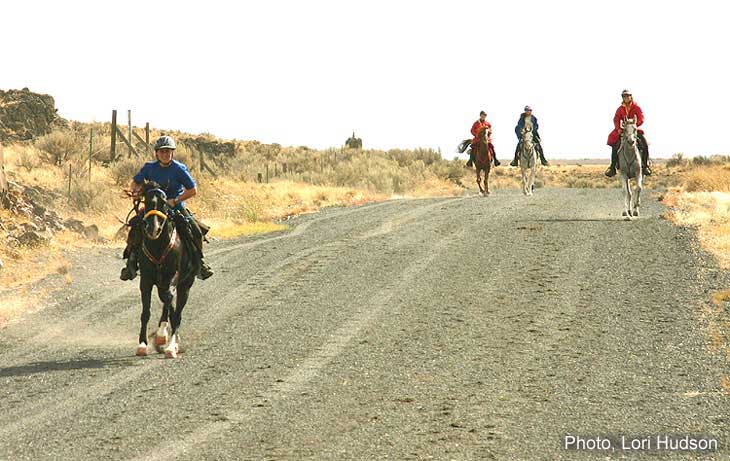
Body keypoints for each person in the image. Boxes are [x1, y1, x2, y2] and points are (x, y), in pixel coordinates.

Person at [120, 135, 214, 281]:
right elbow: (135, 182)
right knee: (135, 226)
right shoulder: (149, 167)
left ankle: (199, 264)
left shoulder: (179, 169)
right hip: (153, 207)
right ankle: (131, 264)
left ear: (172, 153)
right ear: (156, 153)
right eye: (162, 151)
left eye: (168, 151)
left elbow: (192, 190)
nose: (165, 154)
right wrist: (135, 192)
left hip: (175, 207)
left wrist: (175, 200)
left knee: (194, 230)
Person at [605, 89, 651, 177]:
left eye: (627, 96)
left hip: (634, 130)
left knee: (644, 144)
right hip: (624, 130)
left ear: (631, 97)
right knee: (615, 145)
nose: (626, 98)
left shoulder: (637, 107)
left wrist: (633, 125)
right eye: (624, 96)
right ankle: (612, 167)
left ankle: (645, 166)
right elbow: (616, 119)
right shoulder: (620, 109)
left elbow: (641, 118)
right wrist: (618, 128)